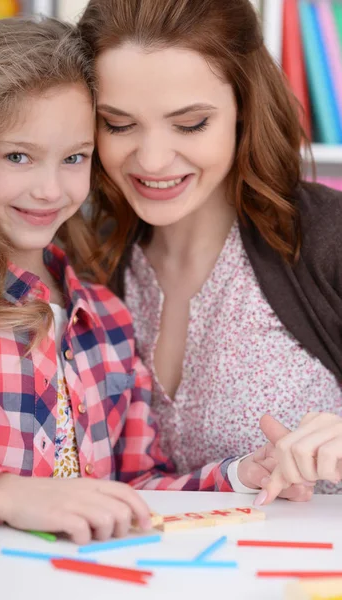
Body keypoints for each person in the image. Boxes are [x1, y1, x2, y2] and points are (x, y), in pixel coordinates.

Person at [0, 16, 255, 544]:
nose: (49, 189)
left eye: (73, 158)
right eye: (17, 156)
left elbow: (140, 484)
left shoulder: (106, 316)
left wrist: (244, 475)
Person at [78, 0, 342, 501]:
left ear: (245, 108)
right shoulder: (85, 258)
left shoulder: (329, 238)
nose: (152, 160)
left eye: (191, 123)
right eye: (118, 124)